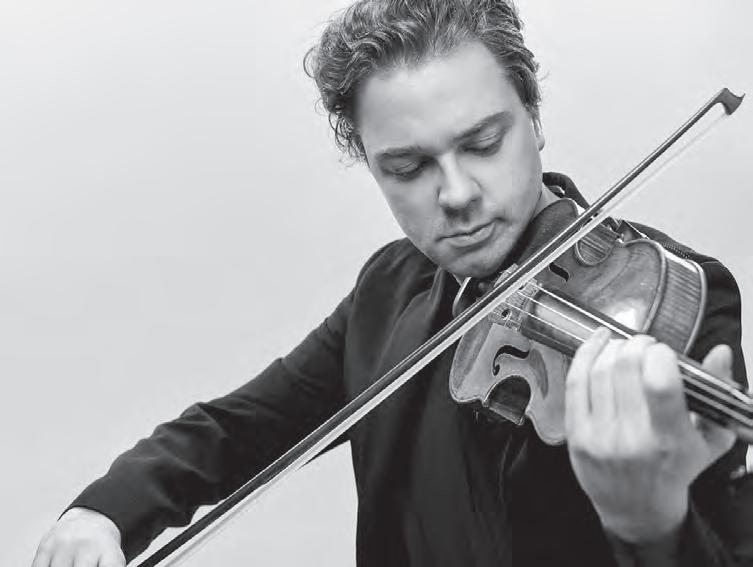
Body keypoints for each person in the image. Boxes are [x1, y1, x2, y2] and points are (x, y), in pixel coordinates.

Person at [31, 1, 752, 566]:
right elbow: (237, 428)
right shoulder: (389, 289)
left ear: (532, 118)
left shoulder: (673, 297)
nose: (457, 193)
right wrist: (105, 510)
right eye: (408, 168)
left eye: (483, 143)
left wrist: (652, 525)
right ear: (372, 167)